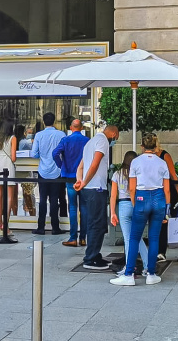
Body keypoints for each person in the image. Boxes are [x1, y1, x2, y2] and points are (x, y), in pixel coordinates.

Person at [110, 133, 169, 287]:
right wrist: (166, 211)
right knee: (154, 237)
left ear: (142, 147)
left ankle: (129, 274)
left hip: (141, 198)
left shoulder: (136, 162)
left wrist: (136, 205)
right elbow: (167, 190)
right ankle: (151, 273)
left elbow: (131, 188)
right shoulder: (162, 163)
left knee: (134, 237)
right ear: (156, 146)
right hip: (158, 198)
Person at [74, 124, 119, 270]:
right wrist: (85, 181)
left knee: (93, 222)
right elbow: (95, 164)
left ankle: (94, 254)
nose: (115, 140)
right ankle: (90, 258)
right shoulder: (103, 141)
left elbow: (80, 166)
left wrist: (80, 181)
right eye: (116, 137)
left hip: (88, 189)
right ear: (112, 132)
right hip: (96, 188)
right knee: (97, 224)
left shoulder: (89, 142)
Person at [110, 150, 149, 277]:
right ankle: (148, 266)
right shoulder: (138, 174)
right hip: (136, 204)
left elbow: (113, 195)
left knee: (128, 239)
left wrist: (112, 213)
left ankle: (129, 267)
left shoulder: (117, 174)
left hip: (123, 205)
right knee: (138, 238)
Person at [152, 144, 178, 262]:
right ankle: (161, 252)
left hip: (170, 191)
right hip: (158, 193)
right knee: (162, 221)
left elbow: (173, 175)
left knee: (177, 219)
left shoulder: (165, 155)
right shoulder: (147, 157)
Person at [53, 119, 89, 247]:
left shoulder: (66, 140)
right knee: (84, 207)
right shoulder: (87, 141)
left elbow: (55, 153)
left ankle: (73, 237)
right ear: (82, 128)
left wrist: (61, 165)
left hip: (69, 176)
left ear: (70, 127)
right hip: (83, 178)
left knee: (73, 207)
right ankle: (83, 237)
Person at [31, 112, 66, 235]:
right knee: (54, 199)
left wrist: (42, 154)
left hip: (43, 170)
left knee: (42, 199)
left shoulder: (39, 135)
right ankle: (55, 227)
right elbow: (64, 152)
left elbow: (33, 154)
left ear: (44, 122)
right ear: (54, 121)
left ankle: (41, 227)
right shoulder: (61, 134)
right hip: (57, 171)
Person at [0, 121, 17, 239]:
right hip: (7, 166)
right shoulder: (13, 138)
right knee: (9, 197)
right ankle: (6, 225)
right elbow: (14, 157)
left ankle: (0, 225)